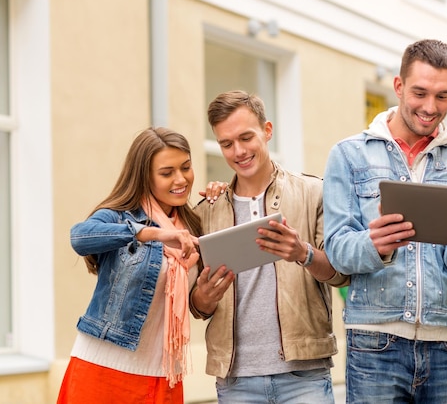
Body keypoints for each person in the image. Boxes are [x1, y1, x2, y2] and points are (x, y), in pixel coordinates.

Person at [323, 38, 447, 403]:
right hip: (373, 342)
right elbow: (336, 249)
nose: (430, 108)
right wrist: (374, 247)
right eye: (420, 93)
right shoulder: (348, 155)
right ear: (398, 86)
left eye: (443, 96)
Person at [190, 90, 349, 404]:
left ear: (267, 130)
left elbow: (339, 274)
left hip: (305, 375)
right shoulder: (206, 210)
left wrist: (301, 253)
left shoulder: (313, 192)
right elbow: (197, 307)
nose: (238, 151)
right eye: (226, 143)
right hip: (236, 380)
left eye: (246, 137)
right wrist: (203, 298)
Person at [57, 127, 202, 404]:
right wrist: (153, 233)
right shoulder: (120, 216)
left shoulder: (193, 225)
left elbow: (198, 304)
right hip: (104, 369)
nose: (181, 179)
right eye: (167, 172)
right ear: (144, 176)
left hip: (165, 375)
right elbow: (80, 236)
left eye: (186, 167)